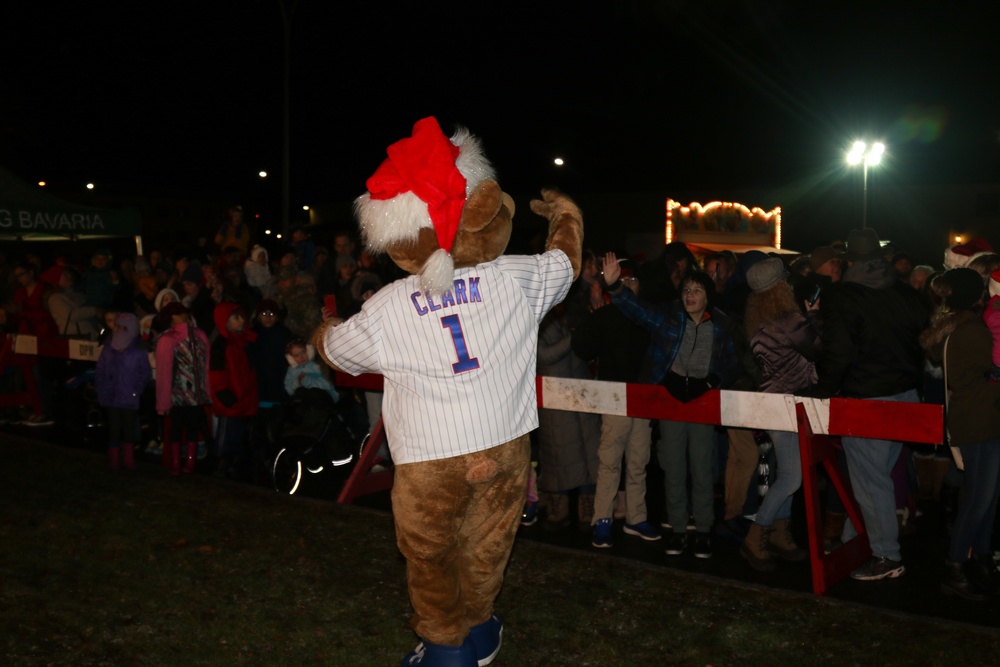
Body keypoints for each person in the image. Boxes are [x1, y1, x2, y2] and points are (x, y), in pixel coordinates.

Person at [602, 252, 739, 559]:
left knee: (703, 470)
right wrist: (614, 288)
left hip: (703, 405)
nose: (690, 295)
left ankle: (703, 530)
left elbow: (732, 364)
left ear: (708, 296)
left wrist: (712, 381)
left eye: (697, 290)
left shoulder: (722, 325)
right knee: (674, 469)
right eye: (686, 290)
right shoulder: (669, 319)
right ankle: (678, 530)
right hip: (671, 404)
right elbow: (638, 310)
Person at [811, 228, 928, 581]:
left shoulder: (844, 296)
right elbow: (921, 340)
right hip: (906, 395)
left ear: (849, 261)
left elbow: (839, 352)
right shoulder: (906, 293)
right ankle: (855, 540)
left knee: (870, 481)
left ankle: (886, 556)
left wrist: (824, 390)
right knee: (874, 479)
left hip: (867, 399)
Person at [919, 267, 1000, 600]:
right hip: (977, 420)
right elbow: (988, 371)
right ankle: (955, 567)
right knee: (978, 500)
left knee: (989, 497)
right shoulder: (971, 331)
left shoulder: (962, 327)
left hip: (983, 417)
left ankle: (979, 560)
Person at [738, 258, 821, 571]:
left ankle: (779, 535)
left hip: (771, 404)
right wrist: (814, 315)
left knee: (786, 473)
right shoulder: (790, 321)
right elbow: (818, 349)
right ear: (780, 288)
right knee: (791, 477)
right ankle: (756, 534)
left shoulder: (758, 323)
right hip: (789, 405)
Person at [571, 261, 658, 547]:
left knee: (638, 460)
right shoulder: (608, 315)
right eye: (625, 279)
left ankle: (636, 516)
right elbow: (582, 347)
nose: (630, 284)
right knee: (610, 460)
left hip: (643, 397)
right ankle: (603, 519)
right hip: (616, 398)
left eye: (633, 279)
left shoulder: (649, 317)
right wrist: (591, 314)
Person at [155, 302, 211, 476]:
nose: (182, 317)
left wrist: (207, 392)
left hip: (191, 394)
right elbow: (164, 372)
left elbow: (206, 366)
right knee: (180, 429)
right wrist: (163, 402)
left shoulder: (197, 335)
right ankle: (180, 462)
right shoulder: (170, 339)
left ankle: (186, 462)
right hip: (180, 394)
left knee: (186, 429)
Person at [95, 313, 152, 470]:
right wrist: (102, 389)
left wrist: (137, 390)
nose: (119, 330)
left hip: (129, 395)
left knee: (128, 429)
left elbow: (145, 372)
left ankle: (128, 459)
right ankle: (113, 459)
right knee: (114, 428)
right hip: (112, 395)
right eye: (117, 327)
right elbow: (100, 370)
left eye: (123, 328)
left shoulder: (138, 350)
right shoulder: (109, 347)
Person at [209, 302, 258, 479]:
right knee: (226, 436)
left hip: (244, 398)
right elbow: (217, 373)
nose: (242, 321)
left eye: (241, 317)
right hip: (230, 399)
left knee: (239, 436)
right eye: (236, 318)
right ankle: (221, 465)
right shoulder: (221, 344)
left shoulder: (245, 341)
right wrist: (225, 395)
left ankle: (235, 467)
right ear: (225, 321)